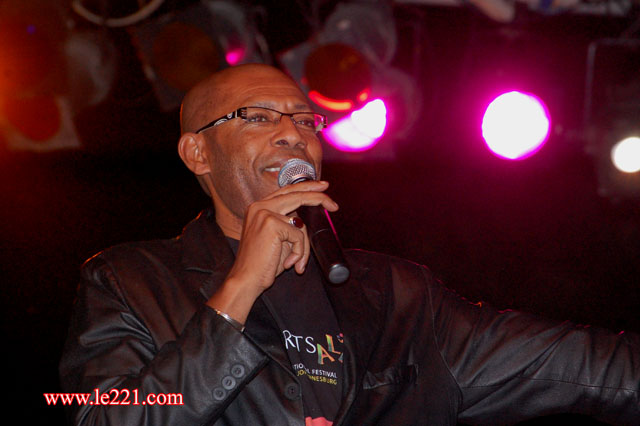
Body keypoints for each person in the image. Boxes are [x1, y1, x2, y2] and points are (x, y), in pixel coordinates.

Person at [59, 63, 640, 426]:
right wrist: (237, 293)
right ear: (198, 153)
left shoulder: (399, 297)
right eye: (257, 117)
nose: (292, 134)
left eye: (305, 121)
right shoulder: (130, 280)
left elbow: (587, 367)